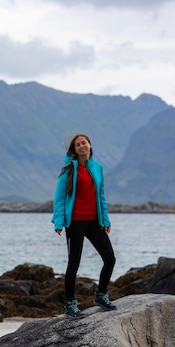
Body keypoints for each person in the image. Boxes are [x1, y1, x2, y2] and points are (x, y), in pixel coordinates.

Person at [52, 133, 116, 319]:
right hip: (75, 223)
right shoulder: (68, 170)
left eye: (84, 143)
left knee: (110, 258)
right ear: (74, 150)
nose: (82, 146)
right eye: (78, 144)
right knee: (74, 264)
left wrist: (106, 220)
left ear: (90, 145)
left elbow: (101, 196)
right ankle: (70, 304)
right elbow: (60, 197)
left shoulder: (97, 168)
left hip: (94, 222)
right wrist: (58, 221)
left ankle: (101, 294)